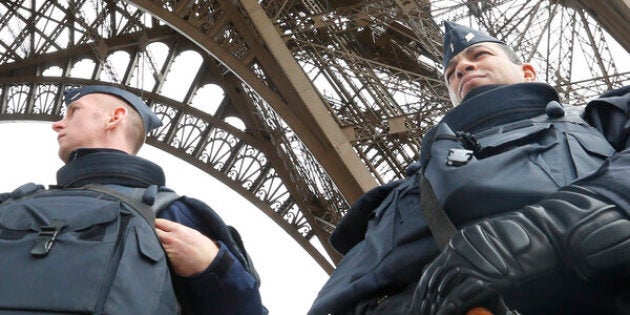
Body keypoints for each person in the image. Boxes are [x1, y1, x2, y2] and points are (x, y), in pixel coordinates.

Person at [309, 21, 630, 315]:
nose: (463, 66)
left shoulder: (601, 118)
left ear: (528, 71)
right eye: (451, 72)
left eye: (479, 54)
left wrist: (551, 230)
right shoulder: (398, 197)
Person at [49, 85, 267, 314]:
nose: (57, 124)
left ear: (114, 118)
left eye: (74, 111)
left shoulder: (171, 214)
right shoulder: (167, 212)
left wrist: (215, 267)